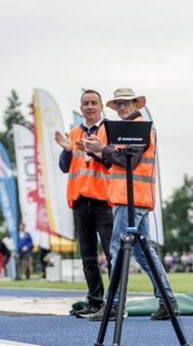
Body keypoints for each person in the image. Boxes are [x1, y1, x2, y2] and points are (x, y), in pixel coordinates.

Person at [83, 88, 178, 321]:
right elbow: (118, 162)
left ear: (136, 104)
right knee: (143, 253)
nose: (123, 108)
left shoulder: (137, 129)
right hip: (133, 197)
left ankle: (114, 305)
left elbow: (129, 161)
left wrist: (101, 149)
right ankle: (168, 301)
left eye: (126, 103)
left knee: (117, 250)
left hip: (130, 198)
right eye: (119, 104)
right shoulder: (132, 128)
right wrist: (99, 152)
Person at [55, 89, 114, 316]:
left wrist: (97, 150)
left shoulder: (108, 131)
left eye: (93, 103)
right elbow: (64, 166)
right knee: (88, 256)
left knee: (111, 255)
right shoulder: (74, 132)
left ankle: (115, 301)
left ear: (101, 107)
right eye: (86, 103)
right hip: (80, 201)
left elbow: (114, 162)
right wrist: (68, 151)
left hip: (103, 200)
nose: (89, 107)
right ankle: (95, 300)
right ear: (81, 108)